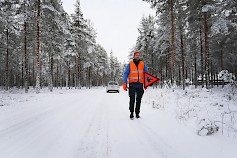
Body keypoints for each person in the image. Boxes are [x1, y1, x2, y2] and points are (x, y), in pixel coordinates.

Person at [123, 51, 148, 119]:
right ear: (134, 56)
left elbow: (146, 74)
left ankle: (137, 113)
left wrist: (147, 83)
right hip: (132, 84)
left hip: (140, 84)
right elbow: (125, 74)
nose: (137, 56)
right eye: (136, 55)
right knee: (132, 99)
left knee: (139, 100)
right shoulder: (130, 64)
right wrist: (125, 83)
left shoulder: (143, 64)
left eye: (138, 55)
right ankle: (131, 113)